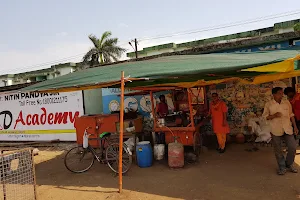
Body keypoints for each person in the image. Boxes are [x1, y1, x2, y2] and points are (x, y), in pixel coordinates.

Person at [262, 87, 299, 175]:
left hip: (287, 128)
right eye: (279, 93)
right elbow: (264, 117)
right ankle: (282, 167)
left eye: (282, 93)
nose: (282, 95)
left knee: (292, 147)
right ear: (274, 94)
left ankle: (289, 164)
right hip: (275, 129)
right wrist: (274, 115)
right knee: (278, 149)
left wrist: (295, 127)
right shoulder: (269, 104)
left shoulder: (286, 103)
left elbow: (291, 115)